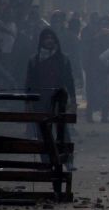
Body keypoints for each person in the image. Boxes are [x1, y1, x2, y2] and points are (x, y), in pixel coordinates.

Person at [24, 28, 77, 169]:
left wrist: (73, 99)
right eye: (46, 38)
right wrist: (28, 101)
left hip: (58, 100)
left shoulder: (63, 59)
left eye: (51, 37)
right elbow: (29, 83)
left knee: (63, 132)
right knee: (43, 133)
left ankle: (67, 161)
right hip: (40, 100)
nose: (49, 40)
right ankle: (46, 162)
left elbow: (69, 81)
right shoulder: (34, 60)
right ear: (41, 41)